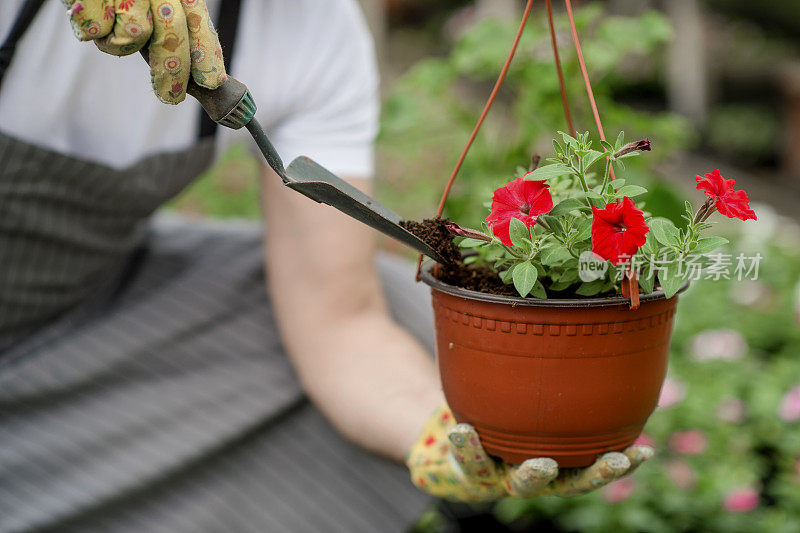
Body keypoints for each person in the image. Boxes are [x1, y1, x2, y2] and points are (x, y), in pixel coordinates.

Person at [0, 0, 652, 531]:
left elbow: (339, 321)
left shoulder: (317, 28)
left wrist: (444, 440)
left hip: (78, 324)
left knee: (428, 330)